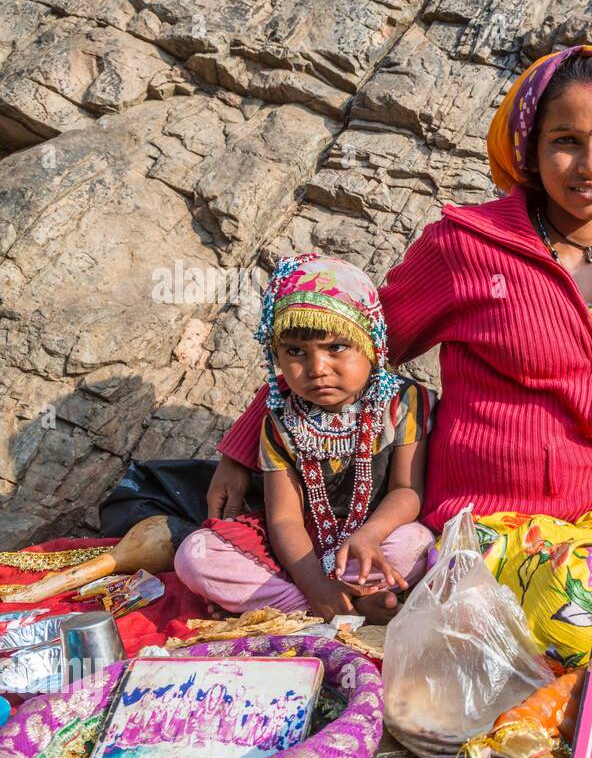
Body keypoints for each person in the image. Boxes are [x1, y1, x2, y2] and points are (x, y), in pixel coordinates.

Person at [205, 45, 592, 665]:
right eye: (566, 142)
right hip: (492, 518)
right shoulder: (466, 247)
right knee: (580, 620)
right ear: (529, 150)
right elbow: (360, 338)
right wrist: (244, 443)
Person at [174, 254, 435, 623]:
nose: (317, 369)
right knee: (195, 555)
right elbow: (284, 521)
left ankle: (310, 606)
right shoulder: (281, 419)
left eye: (336, 347)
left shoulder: (402, 401)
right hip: (303, 550)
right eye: (295, 352)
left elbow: (407, 491)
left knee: (414, 544)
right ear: (276, 357)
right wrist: (316, 588)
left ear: (371, 343)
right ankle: (339, 607)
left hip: (377, 537)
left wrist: (370, 535)